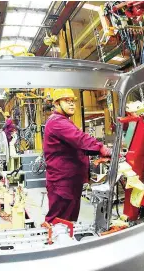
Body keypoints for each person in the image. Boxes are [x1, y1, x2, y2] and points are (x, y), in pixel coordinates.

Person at [43, 88, 112, 223]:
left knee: (68, 220)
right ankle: (55, 243)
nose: (71, 104)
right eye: (66, 101)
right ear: (56, 104)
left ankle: (65, 240)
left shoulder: (64, 121)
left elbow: (75, 145)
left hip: (70, 181)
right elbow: (79, 139)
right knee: (58, 220)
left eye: (73, 101)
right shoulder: (57, 121)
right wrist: (102, 148)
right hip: (62, 182)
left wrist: (94, 152)